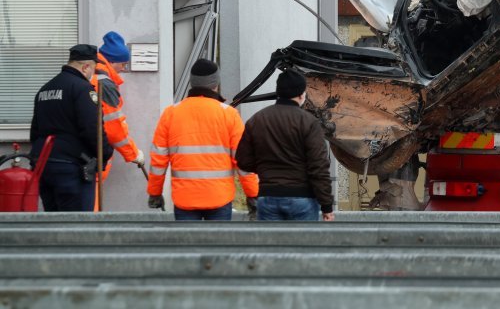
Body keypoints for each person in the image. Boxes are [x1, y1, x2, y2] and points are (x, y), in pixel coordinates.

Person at [147, 58, 259, 220]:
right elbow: (243, 160)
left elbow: (158, 160)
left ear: (192, 83)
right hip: (219, 197)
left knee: (188, 245)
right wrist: (253, 194)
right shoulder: (229, 114)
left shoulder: (171, 114)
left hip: (185, 198)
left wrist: (155, 192)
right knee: (217, 246)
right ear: (216, 84)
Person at [236, 69, 335, 221]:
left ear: (278, 92)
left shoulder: (257, 120)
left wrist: (265, 166)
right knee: (303, 245)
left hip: (267, 197)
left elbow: (243, 161)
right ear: (302, 95)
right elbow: (319, 167)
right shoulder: (309, 123)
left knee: (272, 245)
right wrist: (327, 206)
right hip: (303, 199)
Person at [29, 44, 113, 211]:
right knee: (77, 226)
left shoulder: (45, 89)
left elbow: (35, 132)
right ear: (85, 66)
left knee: (52, 222)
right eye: (93, 69)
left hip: (43, 165)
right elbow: (92, 129)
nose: (92, 75)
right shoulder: (82, 89)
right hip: (71, 167)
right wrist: (105, 153)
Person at [91, 31, 145, 183]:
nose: (123, 68)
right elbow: (114, 128)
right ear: (113, 61)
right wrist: (133, 153)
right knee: (89, 205)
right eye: (123, 64)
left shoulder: (92, 74)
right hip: (93, 160)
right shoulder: (104, 83)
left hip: (82, 156)